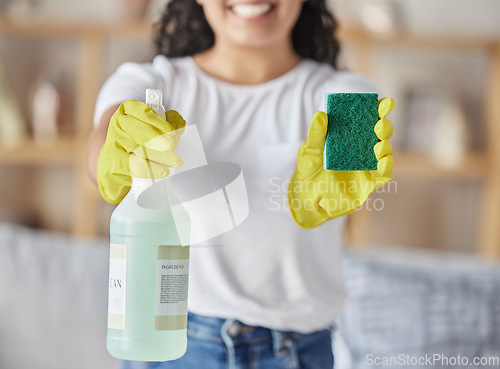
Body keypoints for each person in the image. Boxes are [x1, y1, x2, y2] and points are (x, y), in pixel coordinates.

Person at [87, 0, 394, 368]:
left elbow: (354, 149)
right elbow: (100, 144)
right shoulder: (149, 83)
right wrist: (113, 153)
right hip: (168, 346)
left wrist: (337, 180)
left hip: (297, 353)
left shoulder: (349, 90)